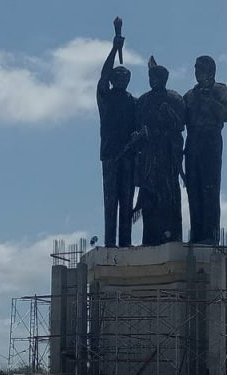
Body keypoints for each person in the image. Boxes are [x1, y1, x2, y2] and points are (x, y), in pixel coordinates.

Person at [133, 57, 185, 246]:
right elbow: (136, 125)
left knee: (168, 195)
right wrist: (141, 135)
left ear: (164, 79)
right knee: (149, 195)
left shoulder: (174, 98)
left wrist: (168, 114)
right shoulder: (143, 101)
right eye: (151, 77)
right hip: (148, 155)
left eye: (157, 77)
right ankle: (150, 236)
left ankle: (170, 235)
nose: (153, 80)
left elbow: (180, 125)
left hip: (167, 154)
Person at [183, 55, 227, 245]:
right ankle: (196, 233)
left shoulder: (219, 89)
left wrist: (209, 99)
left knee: (209, 188)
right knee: (193, 189)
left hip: (210, 140)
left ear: (210, 71)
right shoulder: (190, 95)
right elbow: (181, 119)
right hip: (192, 142)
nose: (197, 72)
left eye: (200, 69)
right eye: (195, 69)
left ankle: (210, 234)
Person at [97, 34, 137, 248]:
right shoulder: (105, 97)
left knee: (127, 201)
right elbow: (103, 75)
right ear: (113, 80)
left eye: (125, 77)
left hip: (128, 157)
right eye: (118, 76)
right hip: (111, 155)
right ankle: (110, 242)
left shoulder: (134, 102)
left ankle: (125, 242)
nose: (122, 79)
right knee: (110, 201)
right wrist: (114, 49)